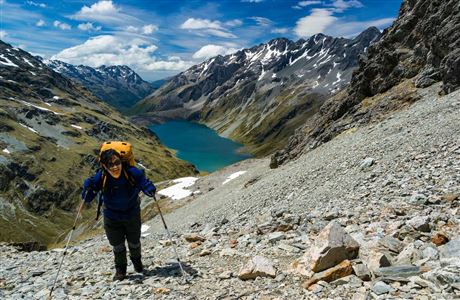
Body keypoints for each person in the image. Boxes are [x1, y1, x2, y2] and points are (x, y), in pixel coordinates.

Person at [81, 149, 156, 280]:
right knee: (117, 244)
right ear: (104, 166)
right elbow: (88, 198)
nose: (115, 167)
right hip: (112, 216)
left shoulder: (132, 173)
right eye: (110, 165)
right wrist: (87, 190)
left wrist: (150, 189)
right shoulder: (101, 177)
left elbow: (144, 183)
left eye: (117, 163)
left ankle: (137, 263)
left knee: (134, 241)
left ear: (121, 162)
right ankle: (121, 270)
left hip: (131, 213)